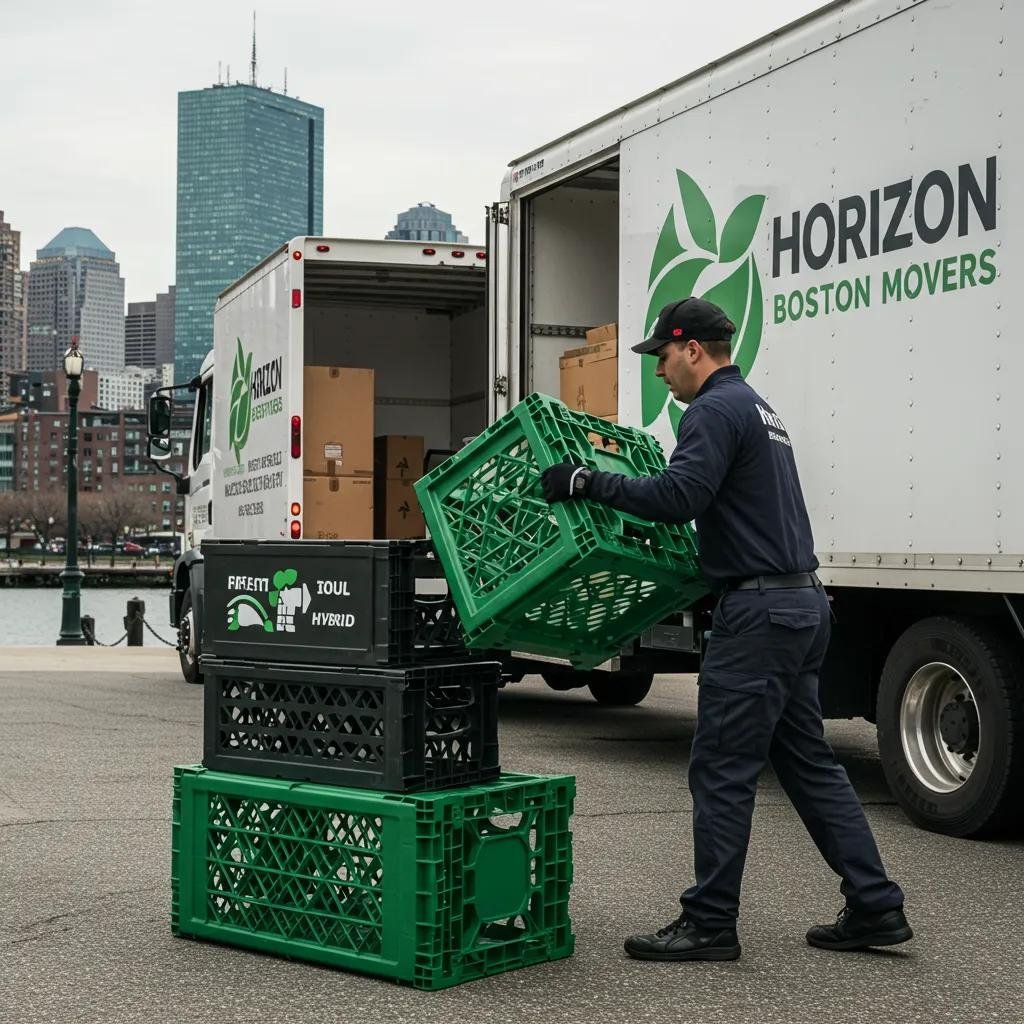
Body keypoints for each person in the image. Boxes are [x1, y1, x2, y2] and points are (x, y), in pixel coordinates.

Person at [540, 297, 911, 963]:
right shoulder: (758, 409)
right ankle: (875, 905)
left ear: (691, 349)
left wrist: (586, 481)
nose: (659, 371)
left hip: (760, 614)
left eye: (662, 356)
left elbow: (680, 497)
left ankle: (709, 922)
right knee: (808, 764)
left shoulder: (712, 409)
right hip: (802, 604)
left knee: (721, 769)